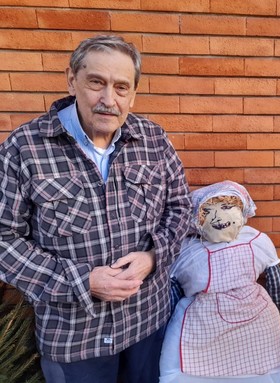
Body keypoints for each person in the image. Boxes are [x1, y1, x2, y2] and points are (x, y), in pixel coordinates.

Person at [0, 35, 192, 383]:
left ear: (133, 94)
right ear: (71, 80)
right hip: (74, 338)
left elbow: (179, 208)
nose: (109, 99)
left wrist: (153, 257)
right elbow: (4, 240)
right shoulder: (23, 149)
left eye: (121, 87)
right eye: (96, 83)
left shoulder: (154, 140)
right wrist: (83, 281)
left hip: (146, 324)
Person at [159, 180, 280, 383]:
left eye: (227, 207)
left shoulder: (255, 240)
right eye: (208, 210)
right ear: (196, 218)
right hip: (202, 320)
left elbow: (275, 277)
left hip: (256, 316)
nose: (218, 216)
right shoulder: (188, 249)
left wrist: (278, 311)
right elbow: (171, 290)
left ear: (242, 210)